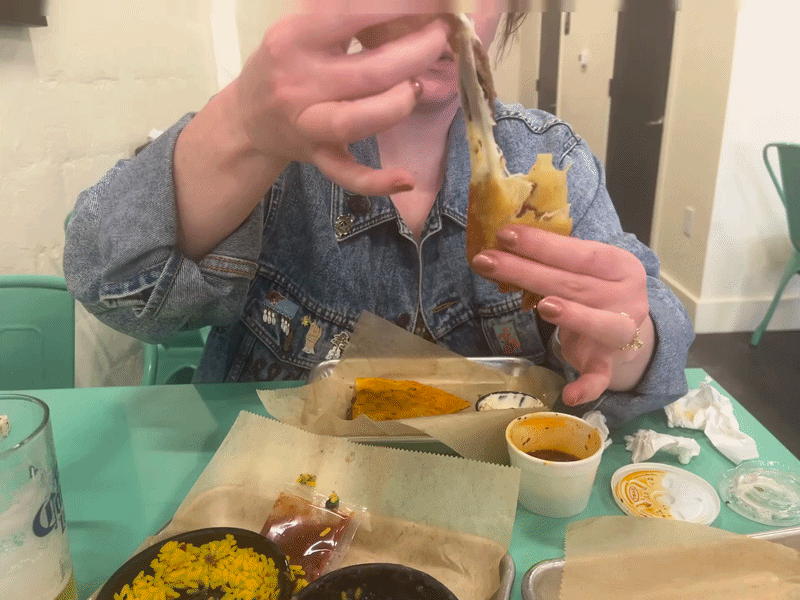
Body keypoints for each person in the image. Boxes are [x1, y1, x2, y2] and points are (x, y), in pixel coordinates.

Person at [63, 6, 694, 428]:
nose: (451, 12)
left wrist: (624, 345)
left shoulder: (550, 158)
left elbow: (651, 331)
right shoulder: (272, 148)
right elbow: (107, 282)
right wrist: (238, 125)